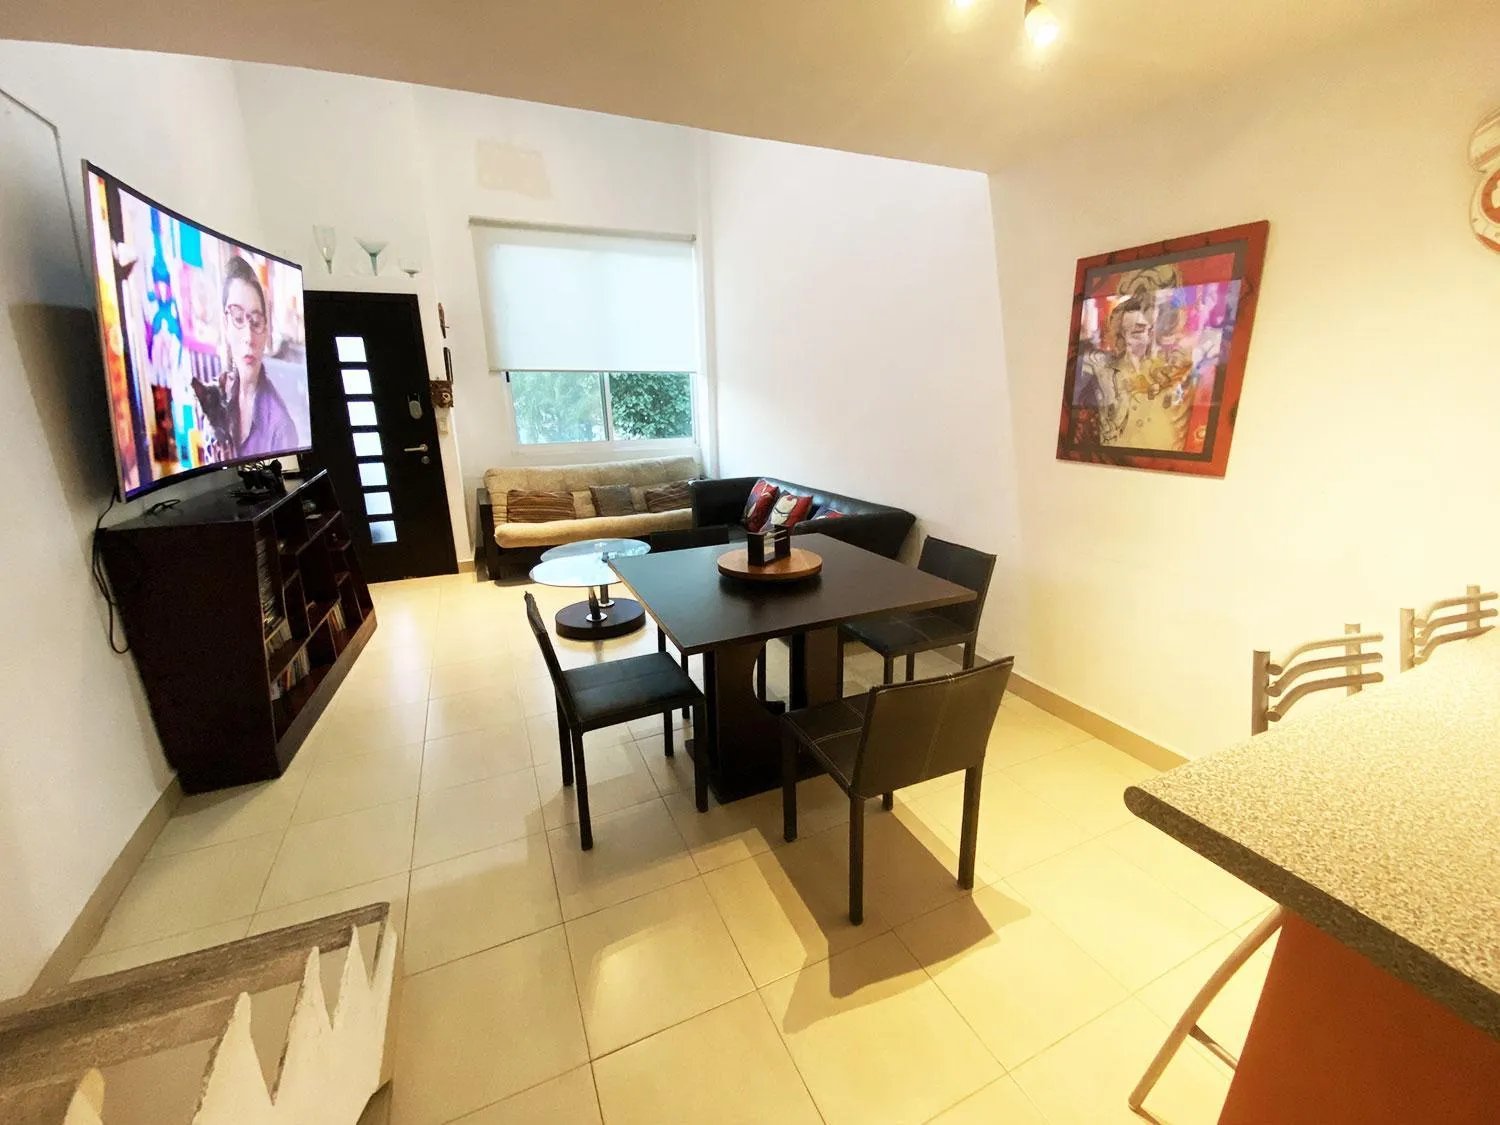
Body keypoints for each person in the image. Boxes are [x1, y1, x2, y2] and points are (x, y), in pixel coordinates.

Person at [221, 255, 298, 458]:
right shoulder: (219, 396)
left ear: (265, 332)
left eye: (255, 322)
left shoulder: (281, 427)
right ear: (225, 325)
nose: (248, 337)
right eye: (238, 319)